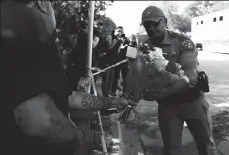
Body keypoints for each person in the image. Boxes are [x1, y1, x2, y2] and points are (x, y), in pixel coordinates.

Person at [0, 2, 136, 155]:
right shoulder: (22, 29)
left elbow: (68, 97)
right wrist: (80, 138)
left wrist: (113, 102)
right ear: (43, 5)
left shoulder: (42, 38)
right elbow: (33, 117)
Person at [140, 6, 218, 155]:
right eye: (147, 25)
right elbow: (143, 75)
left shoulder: (182, 42)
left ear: (165, 22)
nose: (151, 28)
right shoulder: (145, 47)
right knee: (172, 149)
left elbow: (190, 78)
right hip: (168, 106)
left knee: (206, 145)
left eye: (155, 24)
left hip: (192, 100)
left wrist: (161, 93)